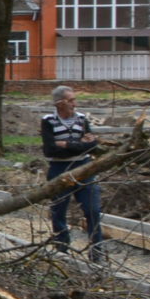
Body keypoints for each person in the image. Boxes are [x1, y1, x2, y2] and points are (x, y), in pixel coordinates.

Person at [40, 84, 106, 257]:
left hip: (84, 168)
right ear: (59, 103)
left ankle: (97, 251)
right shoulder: (48, 121)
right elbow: (50, 150)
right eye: (71, 101)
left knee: (93, 210)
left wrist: (67, 144)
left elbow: (92, 145)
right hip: (59, 169)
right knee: (59, 210)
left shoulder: (82, 119)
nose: (74, 104)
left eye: (74, 100)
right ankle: (62, 248)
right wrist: (80, 144)